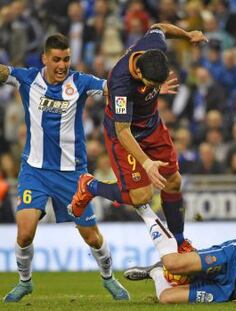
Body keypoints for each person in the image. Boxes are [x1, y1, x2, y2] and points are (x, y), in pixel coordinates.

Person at [1, 34, 129, 303]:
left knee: (92, 238)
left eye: (67, 59)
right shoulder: (27, 79)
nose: (62, 65)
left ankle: (108, 278)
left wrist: (144, 87)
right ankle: (25, 282)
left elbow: (112, 88)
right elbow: (3, 72)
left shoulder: (80, 82)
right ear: (45, 58)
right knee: (24, 233)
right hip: (34, 170)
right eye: (56, 59)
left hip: (72, 174)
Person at [68, 23, 208, 252]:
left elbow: (160, 26)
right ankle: (90, 186)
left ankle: (180, 242)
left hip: (152, 125)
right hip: (125, 134)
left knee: (174, 181)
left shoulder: (154, 45)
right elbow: (123, 130)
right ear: (139, 73)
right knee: (141, 195)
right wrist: (146, 163)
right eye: (152, 85)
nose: (155, 88)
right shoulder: (120, 85)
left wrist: (187, 35)